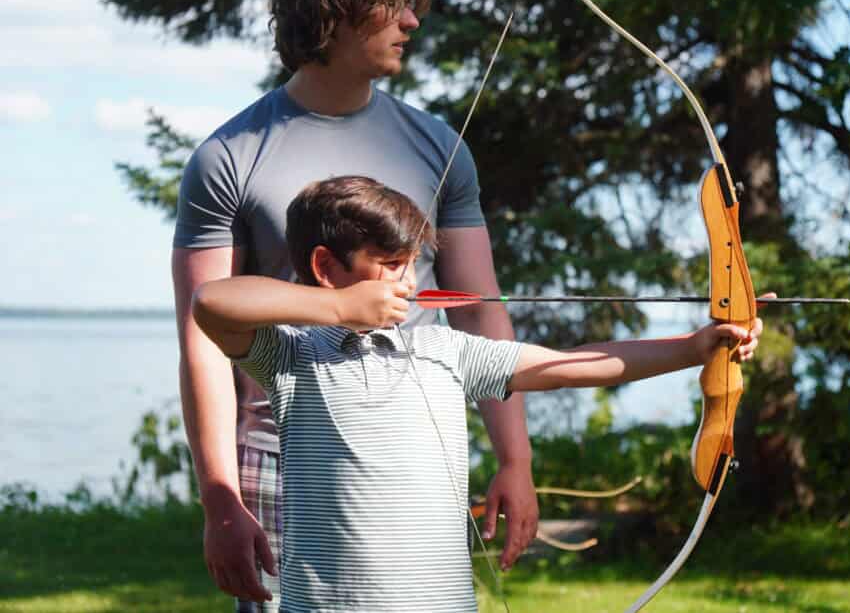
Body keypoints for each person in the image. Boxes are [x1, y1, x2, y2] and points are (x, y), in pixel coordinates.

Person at [191, 176, 764, 613]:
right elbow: (212, 302)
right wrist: (340, 310)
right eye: (390, 266)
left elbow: (573, 366)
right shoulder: (292, 358)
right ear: (325, 266)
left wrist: (694, 348)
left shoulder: (447, 351)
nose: (409, 283)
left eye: (412, 264)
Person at [171, 0, 536, 609]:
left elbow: (481, 311)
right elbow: (203, 337)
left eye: (410, 3)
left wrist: (516, 458)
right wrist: (220, 498)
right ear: (333, 9)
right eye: (393, 4)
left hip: (412, 452)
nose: (412, 21)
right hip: (279, 460)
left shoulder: (439, 147)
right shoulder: (228, 157)